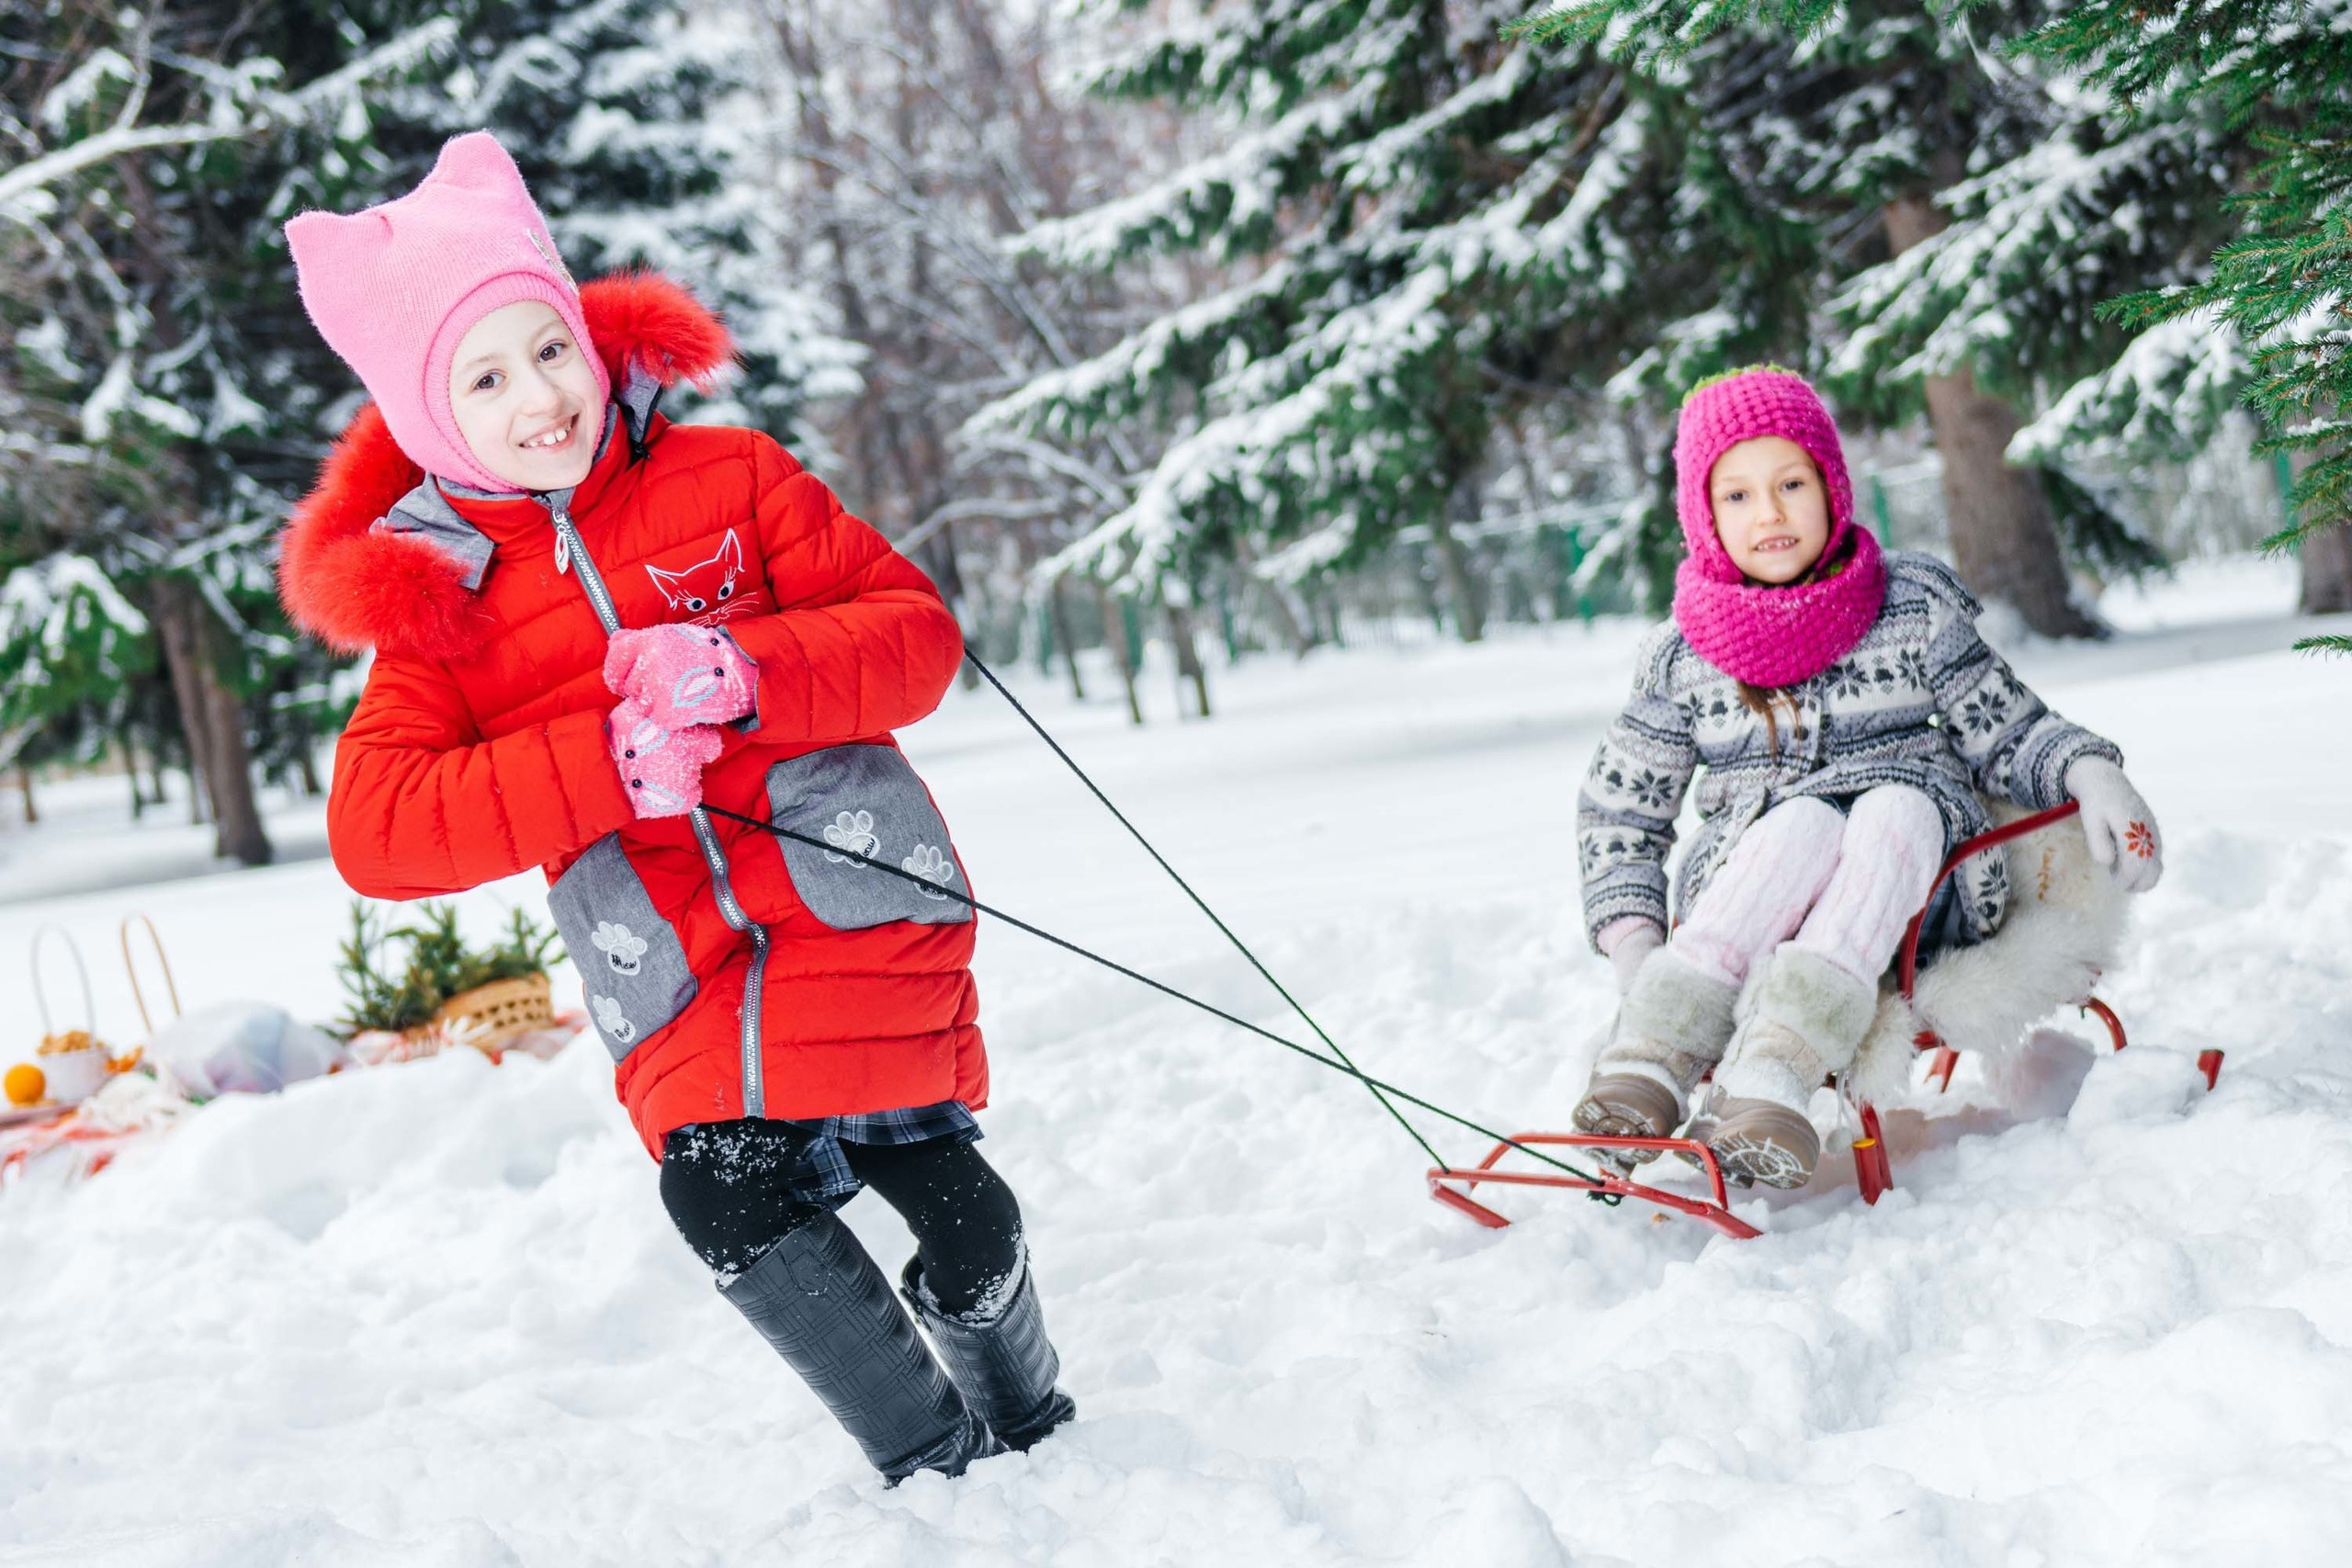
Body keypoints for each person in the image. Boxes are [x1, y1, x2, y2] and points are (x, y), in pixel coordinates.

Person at [277, 132, 1072, 1481]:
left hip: (857, 908)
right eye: (483, 375)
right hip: (679, 971)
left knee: (963, 1213)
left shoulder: (732, 478)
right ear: (426, 418)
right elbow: (380, 827)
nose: (539, 394)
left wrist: (746, 669)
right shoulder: (441, 607)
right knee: (722, 1192)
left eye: (547, 348)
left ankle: (1033, 1412)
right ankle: (938, 1466)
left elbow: (915, 636)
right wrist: (598, 764)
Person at [1573, 366, 2163, 1189]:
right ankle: (1653, 1054)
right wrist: (1637, 944)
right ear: (1702, 516)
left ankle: (1775, 1071)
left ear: (1831, 486)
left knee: (1895, 805)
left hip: (1925, 902)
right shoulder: (1685, 658)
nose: (1769, 512)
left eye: (1789, 483)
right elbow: (1620, 812)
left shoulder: (1910, 609)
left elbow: (2008, 727)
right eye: (1737, 496)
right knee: (1802, 823)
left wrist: (2091, 770)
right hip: (1754, 901)